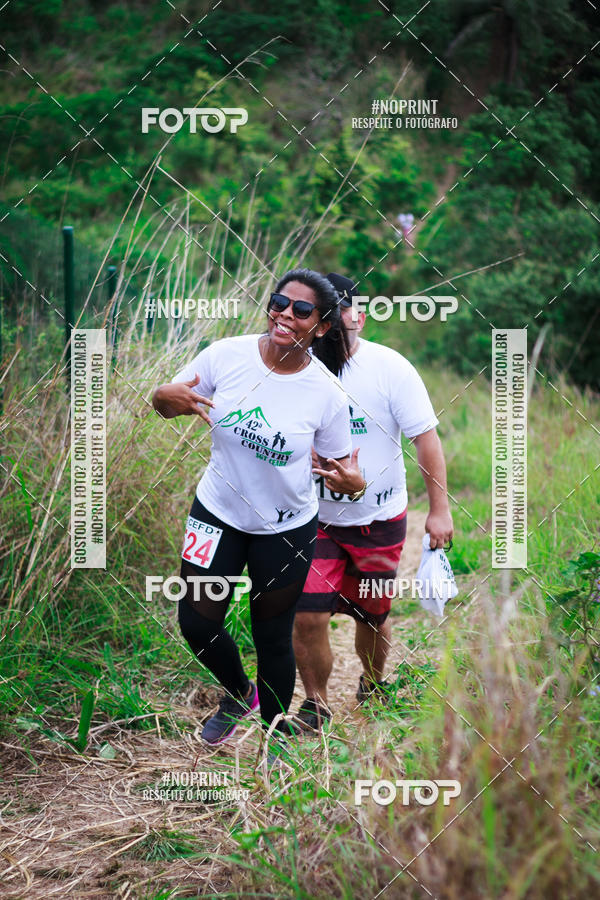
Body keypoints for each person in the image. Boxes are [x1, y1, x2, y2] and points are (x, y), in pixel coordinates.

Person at [152, 269, 365, 745]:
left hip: (285, 528)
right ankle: (238, 692)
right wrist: (159, 397)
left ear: (323, 327)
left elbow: (345, 474)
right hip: (217, 511)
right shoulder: (226, 356)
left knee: (271, 635)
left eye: (302, 310)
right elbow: (169, 402)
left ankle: (275, 739)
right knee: (196, 620)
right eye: (279, 302)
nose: (285, 314)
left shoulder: (326, 393)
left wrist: (353, 484)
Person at [293, 272, 454, 729]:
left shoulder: (391, 369)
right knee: (307, 613)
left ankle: (372, 681)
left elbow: (427, 440)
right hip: (314, 519)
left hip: (378, 520)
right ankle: (316, 703)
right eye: (315, 314)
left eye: (333, 313)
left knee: (373, 615)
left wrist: (439, 510)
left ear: (356, 317)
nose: (325, 324)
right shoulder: (293, 367)